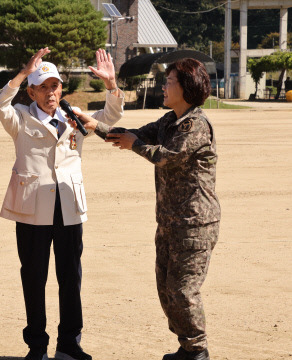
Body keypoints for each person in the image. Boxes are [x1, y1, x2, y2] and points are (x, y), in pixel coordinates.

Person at [71, 58, 220, 360]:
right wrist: (93, 124)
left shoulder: (197, 124)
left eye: (170, 81)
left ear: (187, 86)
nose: (164, 86)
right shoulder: (169, 121)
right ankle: (186, 347)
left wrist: (134, 144)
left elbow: (167, 156)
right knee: (167, 291)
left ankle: (198, 351)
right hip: (169, 223)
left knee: (183, 292)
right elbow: (131, 133)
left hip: (194, 225)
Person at [0, 48, 124, 360]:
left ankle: (69, 343)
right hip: (32, 208)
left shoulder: (75, 116)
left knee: (70, 277)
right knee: (34, 278)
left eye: (55, 86)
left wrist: (111, 85)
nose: (50, 93)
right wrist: (24, 71)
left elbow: (111, 117)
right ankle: (36, 346)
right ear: (31, 91)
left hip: (68, 206)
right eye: (43, 86)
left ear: (61, 88)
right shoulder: (20, 118)